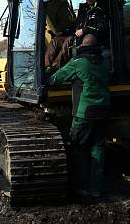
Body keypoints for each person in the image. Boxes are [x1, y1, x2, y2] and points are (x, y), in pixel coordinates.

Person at [47, 33, 111, 199]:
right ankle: (96, 189)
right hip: (103, 111)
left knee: (79, 149)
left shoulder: (78, 63)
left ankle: (82, 188)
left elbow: (56, 78)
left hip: (84, 114)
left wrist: (47, 76)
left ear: (82, 46)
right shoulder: (105, 63)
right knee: (98, 149)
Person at [45, 0, 109, 69]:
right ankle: (46, 66)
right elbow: (75, 25)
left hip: (90, 39)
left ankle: (55, 68)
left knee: (69, 41)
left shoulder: (101, 9)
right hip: (77, 36)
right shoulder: (83, 8)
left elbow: (102, 28)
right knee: (56, 40)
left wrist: (84, 30)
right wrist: (63, 32)